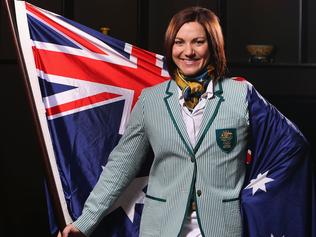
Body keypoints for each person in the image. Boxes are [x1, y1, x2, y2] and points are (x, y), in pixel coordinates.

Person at [58, 6, 314, 237]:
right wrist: (84, 222)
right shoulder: (152, 100)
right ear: (170, 47)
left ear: (213, 46)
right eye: (179, 42)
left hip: (222, 229)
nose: (187, 51)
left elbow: (291, 146)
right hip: (160, 229)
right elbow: (120, 166)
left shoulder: (241, 95)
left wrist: (250, 199)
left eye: (198, 42)